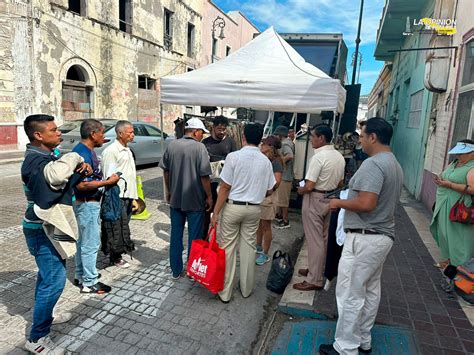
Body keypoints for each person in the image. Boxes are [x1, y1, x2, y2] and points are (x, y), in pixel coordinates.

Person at [319, 117, 403, 355]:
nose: (361, 140)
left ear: (373, 137)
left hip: (366, 236)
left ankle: (346, 347)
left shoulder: (374, 164)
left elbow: (366, 202)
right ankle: (363, 340)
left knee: (350, 292)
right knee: (369, 290)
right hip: (380, 237)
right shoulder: (394, 163)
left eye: (363, 136)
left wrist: (338, 202)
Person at [21, 114, 92, 354]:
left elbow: (62, 185)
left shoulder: (47, 155)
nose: (59, 133)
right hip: (41, 228)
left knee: (49, 276)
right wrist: (73, 158)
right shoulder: (33, 161)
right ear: (39, 135)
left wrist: (79, 171)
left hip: (52, 226)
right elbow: (48, 195)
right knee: (54, 281)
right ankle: (37, 339)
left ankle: (47, 315)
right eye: (53, 130)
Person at [211, 123, 276, 303]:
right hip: (254, 209)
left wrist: (215, 213)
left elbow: (224, 187)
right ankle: (246, 289)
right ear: (260, 139)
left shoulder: (233, 157)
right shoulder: (265, 161)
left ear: (244, 138)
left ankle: (225, 292)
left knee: (228, 249)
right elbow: (270, 189)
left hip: (233, 207)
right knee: (248, 248)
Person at [293, 124, 345, 291]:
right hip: (331, 198)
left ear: (321, 138)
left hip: (314, 197)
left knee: (315, 241)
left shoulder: (318, 158)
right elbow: (341, 182)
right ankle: (316, 270)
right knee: (323, 238)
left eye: (313, 136)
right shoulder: (339, 157)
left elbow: (309, 186)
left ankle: (314, 279)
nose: (311, 140)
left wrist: (299, 190)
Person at [160, 118, 213, 279]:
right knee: (194, 236)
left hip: (176, 199)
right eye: (202, 133)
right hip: (195, 200)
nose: (202, 136)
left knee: (176, 235)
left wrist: (169, 191)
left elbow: (166, 171)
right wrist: (209, 196)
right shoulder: (200, 147)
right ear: (196, 131)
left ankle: (176, 270)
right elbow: (205, 176)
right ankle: (192, 270)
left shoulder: (172, 145)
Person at [72, 119, 120, 293]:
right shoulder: (82, 154)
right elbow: (81, 185)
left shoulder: (86, 151)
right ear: (93, 134)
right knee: (90, 244)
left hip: (87, 204)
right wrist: (108, 182)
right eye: (102, 133)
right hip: (87, 204)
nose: (104, 137)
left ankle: (81, 275)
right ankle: (89, 283)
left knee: (83, 242)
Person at [430, 139, 474, 269]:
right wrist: (439, 179)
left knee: (459, 237)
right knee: (445, 233)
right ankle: (450, 260)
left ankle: (461, 267)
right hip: (445, 204)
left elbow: (472, 188)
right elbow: (444, 175)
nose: (458, 156)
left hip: (460, 208)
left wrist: (449, 185)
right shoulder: (455, 163)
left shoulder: (472, 167)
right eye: (457, 153)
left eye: (462, 153)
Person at [101, 120, 138, 268]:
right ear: (120, 133)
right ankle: (114, 257)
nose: (132, 134)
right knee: (116, 227)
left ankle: (119, 252)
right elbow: (109, 177)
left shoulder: (127, 149)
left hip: (128, 194)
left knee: (124, 225)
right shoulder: (111, 151)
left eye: (133, 131)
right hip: (117, 197)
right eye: (130, 132)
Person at [202, 116, 237, 238]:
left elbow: (235, 162)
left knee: (223, 213)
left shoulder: (231, 142)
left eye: (224, 129)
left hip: (225, 184)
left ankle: (219, 239)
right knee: (207, 212)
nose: (222, 132)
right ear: (213, 128)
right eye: (219, 129)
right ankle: (204, 238)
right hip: (209, 183)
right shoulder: (205, 143)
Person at [256, 136, 283, 265]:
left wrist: (268, 190)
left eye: (264, 143)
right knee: (260, 225)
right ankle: (258, 246)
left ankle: (265, 253)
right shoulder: (265, 159)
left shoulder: (276, 161)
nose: (261, 145)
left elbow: (277, 182)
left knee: (266, 226)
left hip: (268, 198)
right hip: (262, 197)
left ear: (270, 146)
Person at [273, 125, 295, 229]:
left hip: (285, 176)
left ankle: (286, 221)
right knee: (281, 199)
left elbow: (290, 155)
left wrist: (281, 162)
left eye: (276, 134)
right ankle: (280, 217)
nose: (276, 136)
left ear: (280, 135)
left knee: (283, 201)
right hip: (286, 176)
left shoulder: (285, 144)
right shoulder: (288, 142)